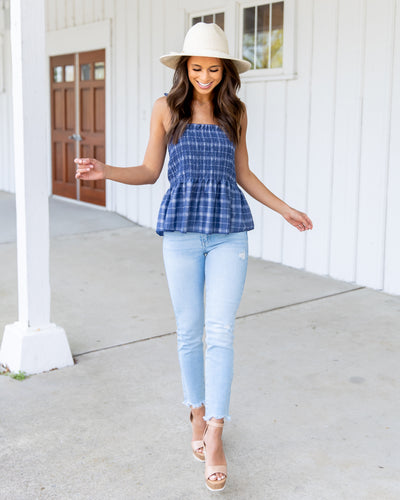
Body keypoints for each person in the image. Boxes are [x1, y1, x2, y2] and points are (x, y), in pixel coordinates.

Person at [75, 22, 313, 492]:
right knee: (189, 330)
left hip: (228, 233)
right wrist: (104, 171)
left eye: (214, 68)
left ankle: (217, 432)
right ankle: (196, 413)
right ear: (186, 68)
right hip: (181, 233)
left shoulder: (236, 112)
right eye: (197, 67)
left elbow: (244, 173)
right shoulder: (166, 108)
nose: (205, 75)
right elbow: (148, 171)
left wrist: (285, 209)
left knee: (220, 332)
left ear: (226, 72)